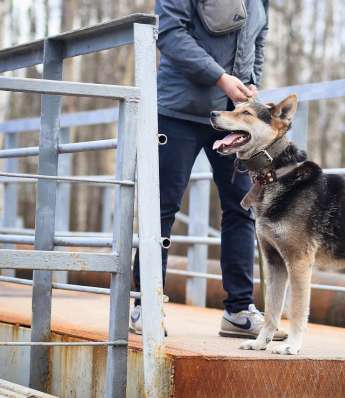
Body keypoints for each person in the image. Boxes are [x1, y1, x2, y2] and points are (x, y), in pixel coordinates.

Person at [129, 0, 286, 341]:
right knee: (163, 207)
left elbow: (258, 39)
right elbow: (169, 34)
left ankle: (239, 311)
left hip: (233, 118)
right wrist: (220, 78)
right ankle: (146, 306)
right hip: (178, 111)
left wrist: (250, 82)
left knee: (241, 208)